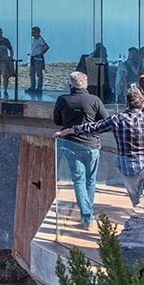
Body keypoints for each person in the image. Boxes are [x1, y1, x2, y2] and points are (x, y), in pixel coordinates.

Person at [55, 86, 144, 207]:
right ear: (143, 106)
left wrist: (68, 131)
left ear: (127, 104)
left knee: (136, 200)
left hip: (128, 166)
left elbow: (92, 127)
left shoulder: (117, 119)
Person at [52, 71, 109, 229]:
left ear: (71, 84)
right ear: (86, 84)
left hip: (71, 145)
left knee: (79, 180)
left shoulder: (62, 100)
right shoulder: (94, 100)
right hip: (92, 145)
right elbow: (106, 120)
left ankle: (87, 216)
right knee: (91, 181)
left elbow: (57, 120)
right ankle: (87, 214)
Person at [26, 26, 50, 94]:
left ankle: (39, 88)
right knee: (31, 73)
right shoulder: (33, 39)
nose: (32, 33)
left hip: (38, 58)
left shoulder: (40, 39)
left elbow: (46, 46)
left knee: (39, 74)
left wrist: (41, 53)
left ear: (37, 32)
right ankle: (32, 87)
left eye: (33, 32)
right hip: (33, 57)